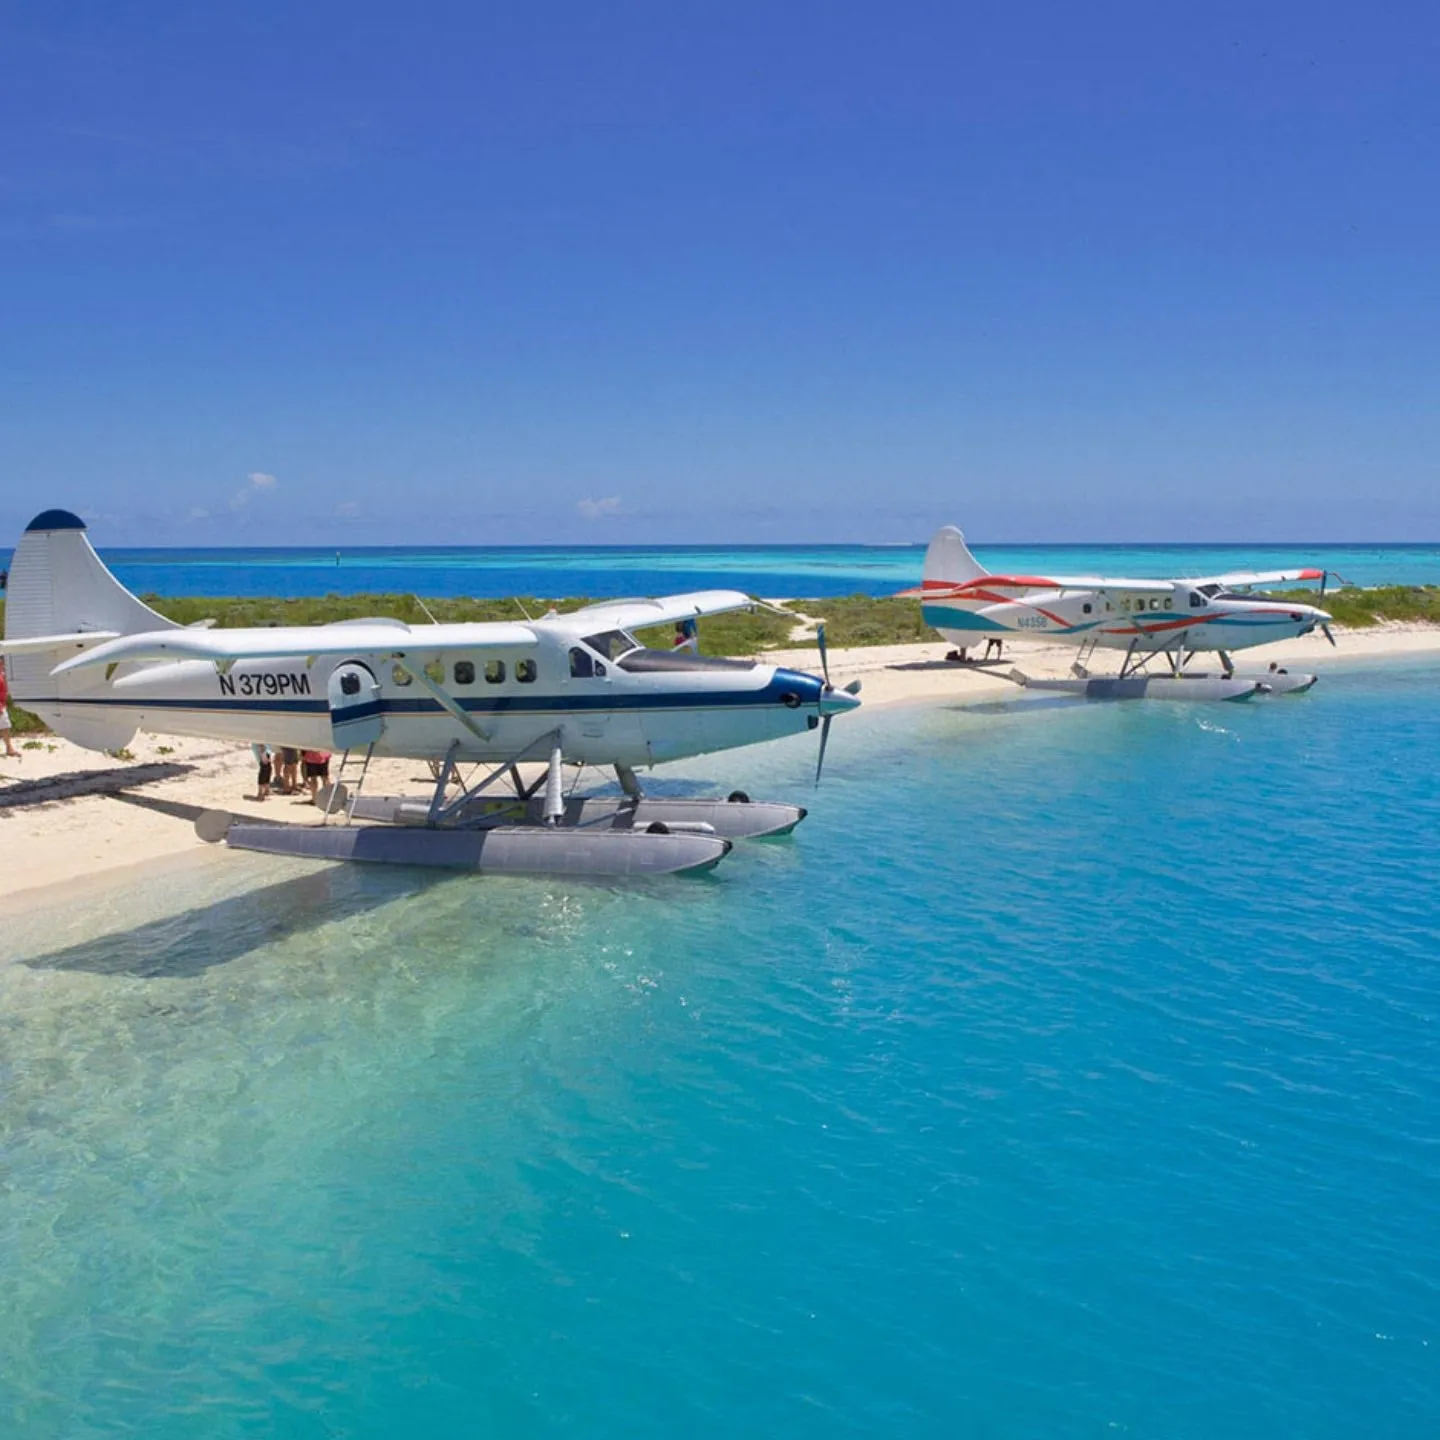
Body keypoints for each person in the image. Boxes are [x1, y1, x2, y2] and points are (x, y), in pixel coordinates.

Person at [0, 658, 18, 759]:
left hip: (2, 703)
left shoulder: (2, 673)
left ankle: (9, 748)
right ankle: (9, 748)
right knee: (5, 726)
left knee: (5, 726)